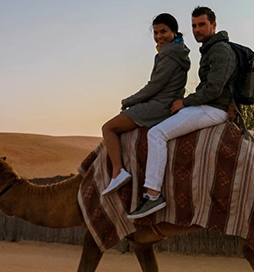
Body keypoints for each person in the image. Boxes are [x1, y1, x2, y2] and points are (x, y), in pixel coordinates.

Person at [129, 6, 237, 219]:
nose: (197, 30)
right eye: (194, 26)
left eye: (202, 25)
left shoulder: (220, 51)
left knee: (156, 134)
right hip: (209, 105)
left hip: (214, 109)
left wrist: (185, 103)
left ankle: (152, 195)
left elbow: (214, 89)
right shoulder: (210, 49)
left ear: (213, 25)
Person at [100, 13, 191, 196]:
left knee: (108, 128)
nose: (159, 37)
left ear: (174, 31)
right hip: (166, 101)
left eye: (163, 31)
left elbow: (154, 86)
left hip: (159, 105)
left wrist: (129, 101)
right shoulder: (179, 50)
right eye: (156, 33)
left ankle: (118, 172)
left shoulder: (168, 55)